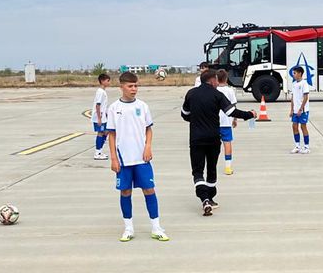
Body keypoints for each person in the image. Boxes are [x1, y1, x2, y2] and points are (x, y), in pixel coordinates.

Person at [182, 69, 257, 215]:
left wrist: (196, 119)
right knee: (211, 168)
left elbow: (184, 115)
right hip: (213, 138)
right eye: (216, 80)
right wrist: (249, 114)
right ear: (211, 80)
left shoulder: (191, 93)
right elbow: (231, 112)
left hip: (196, 138)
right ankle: (209, 198)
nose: (217, 82)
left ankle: (204, 199)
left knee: (197, 171)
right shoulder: (217, 95)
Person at [106, 72, 168, 241]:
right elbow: (111, 134)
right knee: (125, 192)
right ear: (122, 87)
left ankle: (156, 227)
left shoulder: (143, 106)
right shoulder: (113, 108)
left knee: (149, 190)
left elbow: (149, 128)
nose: (134, 89)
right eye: (130, 86)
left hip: (142, 158)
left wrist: (148, 146)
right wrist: (113, 157)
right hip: (123, 159)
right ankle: (128, 228)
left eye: (136, 86)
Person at [216, 69, 240, 175]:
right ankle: (228, 167)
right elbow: (233, 106)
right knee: (227, 143)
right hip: (226, 121)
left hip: (214, 122)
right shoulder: (230, 90)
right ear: (226, 78)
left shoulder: (214, 89)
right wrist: (235, 119)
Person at [290, 66, 311, 154]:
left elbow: (306, 97)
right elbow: (292, 98)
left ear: (300, 73)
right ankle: (297, 146)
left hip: (302, 110)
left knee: (303, 127)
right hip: (295, 110)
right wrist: (291, 110)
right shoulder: (294, 84)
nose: (293, 75)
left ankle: (306, 147)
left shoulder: (304, 83)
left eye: (295, 73)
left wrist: (301, 109)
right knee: (294, 126)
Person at [92, 73, 111, 161]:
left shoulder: (103, 92)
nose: (109, 82)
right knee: (100, 132)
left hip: (103, 116)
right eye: (108, 81)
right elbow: (98, 105)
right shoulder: (100, 92)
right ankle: (97, 152)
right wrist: (99, 118)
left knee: (106, 132)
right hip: (99, 116)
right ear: (102, 81)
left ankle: (100, 150)